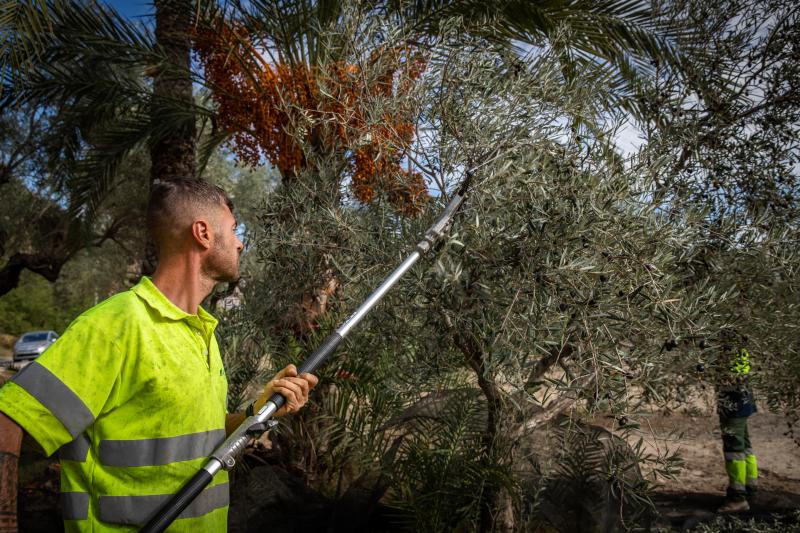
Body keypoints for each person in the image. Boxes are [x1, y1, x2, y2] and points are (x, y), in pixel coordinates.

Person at [0, 178, 319, 532]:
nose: (241, 242)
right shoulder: (116, 326)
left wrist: (254, 412)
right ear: (203, 233)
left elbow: (201, 439)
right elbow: (7, 421)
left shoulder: (202, 333)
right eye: (233, 229)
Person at [715, 340, 758, 513]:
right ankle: (751, 489)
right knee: (745, 447)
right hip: (742, 399)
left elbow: (729, 376)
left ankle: (738, 498)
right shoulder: (739, 340)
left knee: (734, 450)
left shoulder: (729, 345)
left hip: (733, 402)